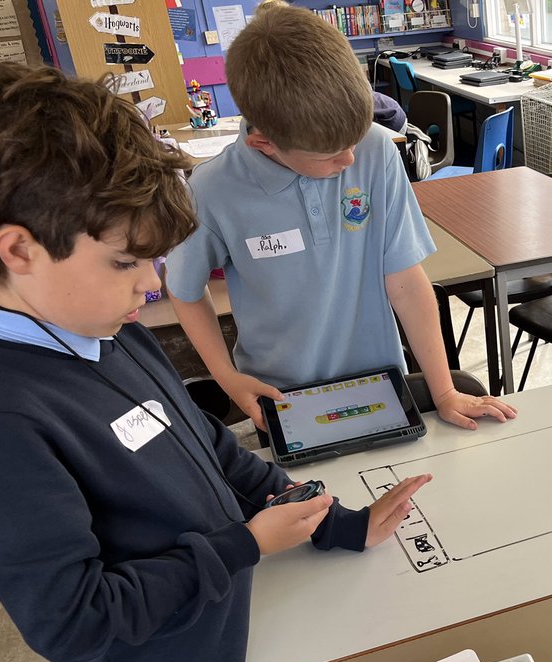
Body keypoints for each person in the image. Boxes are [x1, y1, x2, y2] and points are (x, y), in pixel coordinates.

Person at [0, 62, 430, 662]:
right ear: (17, 248)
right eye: (128, 262)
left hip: (228, 659)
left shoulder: (105, 329)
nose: (153, 286)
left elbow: (216, 455)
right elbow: (72, 618)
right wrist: (241, 547)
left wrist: (333, 521)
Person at [164, 3, 516, 433]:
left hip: (382, 384)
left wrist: (443, 391)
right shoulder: (212, 189)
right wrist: (226, 376)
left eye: (355, 140)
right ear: (264, 144)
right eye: (330, 156)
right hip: (281, 398)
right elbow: (184, 289)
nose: (349, 159)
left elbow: (405, 281)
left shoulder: (375, 151)